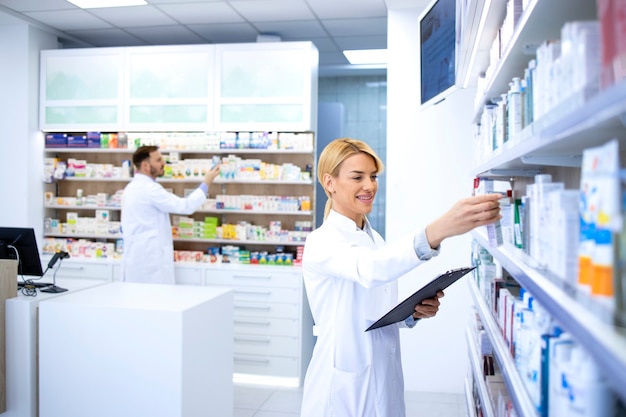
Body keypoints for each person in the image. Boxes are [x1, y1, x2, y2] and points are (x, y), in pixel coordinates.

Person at [300, 138, 501, 417]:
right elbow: (369, 269)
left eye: (373, 176)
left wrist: (411, 314)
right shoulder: (322, 241)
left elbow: (373, 311)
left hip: (383, 376)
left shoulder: (374, 238)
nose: (369, 186)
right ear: (330, 182)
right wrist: (439, 229)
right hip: (343, 387)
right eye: (357, 177)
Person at [121, 145, 220, 284]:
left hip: (137, 259)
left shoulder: (131, 188)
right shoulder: (150, 189)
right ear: (145, 165)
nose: (163, 163)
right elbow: (185, 206)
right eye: (158, 160)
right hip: (150, 262)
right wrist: (207, 182)